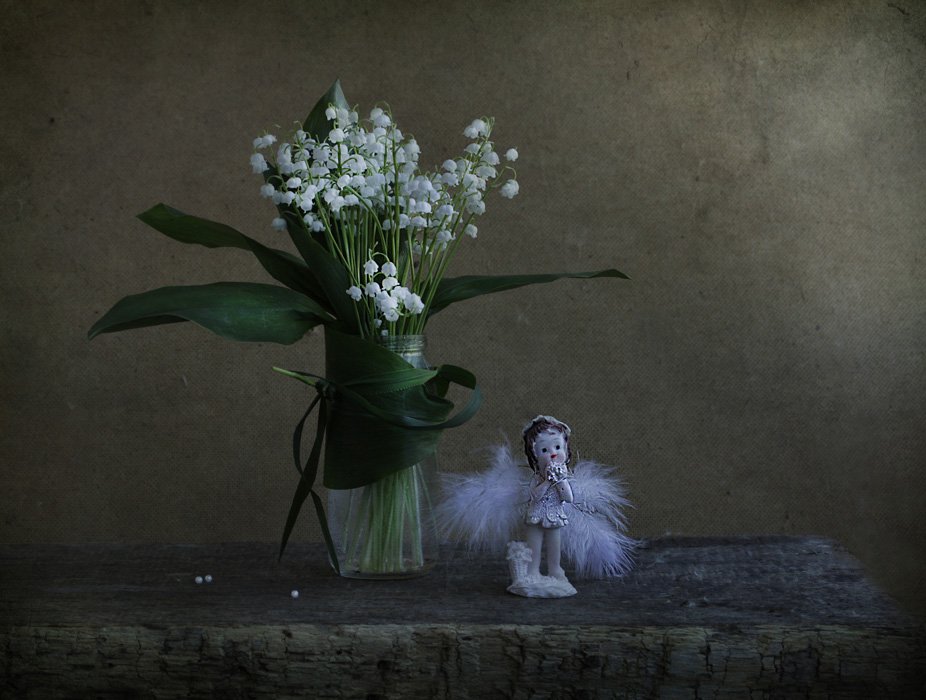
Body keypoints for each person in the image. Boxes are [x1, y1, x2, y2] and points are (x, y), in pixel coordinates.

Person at [522, 415, 574, 581]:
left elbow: (568, 498)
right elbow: (535, 497)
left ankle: (555, 569)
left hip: (554, 515)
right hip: (536, 514)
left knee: (554, 545)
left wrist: (559, 481)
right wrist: (547, 482)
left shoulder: (562, 477)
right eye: (544, 450)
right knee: (534, 544)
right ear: (535, 455)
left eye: (557, 447)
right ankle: (532, 570)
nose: (553, 453)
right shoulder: (537, 478)